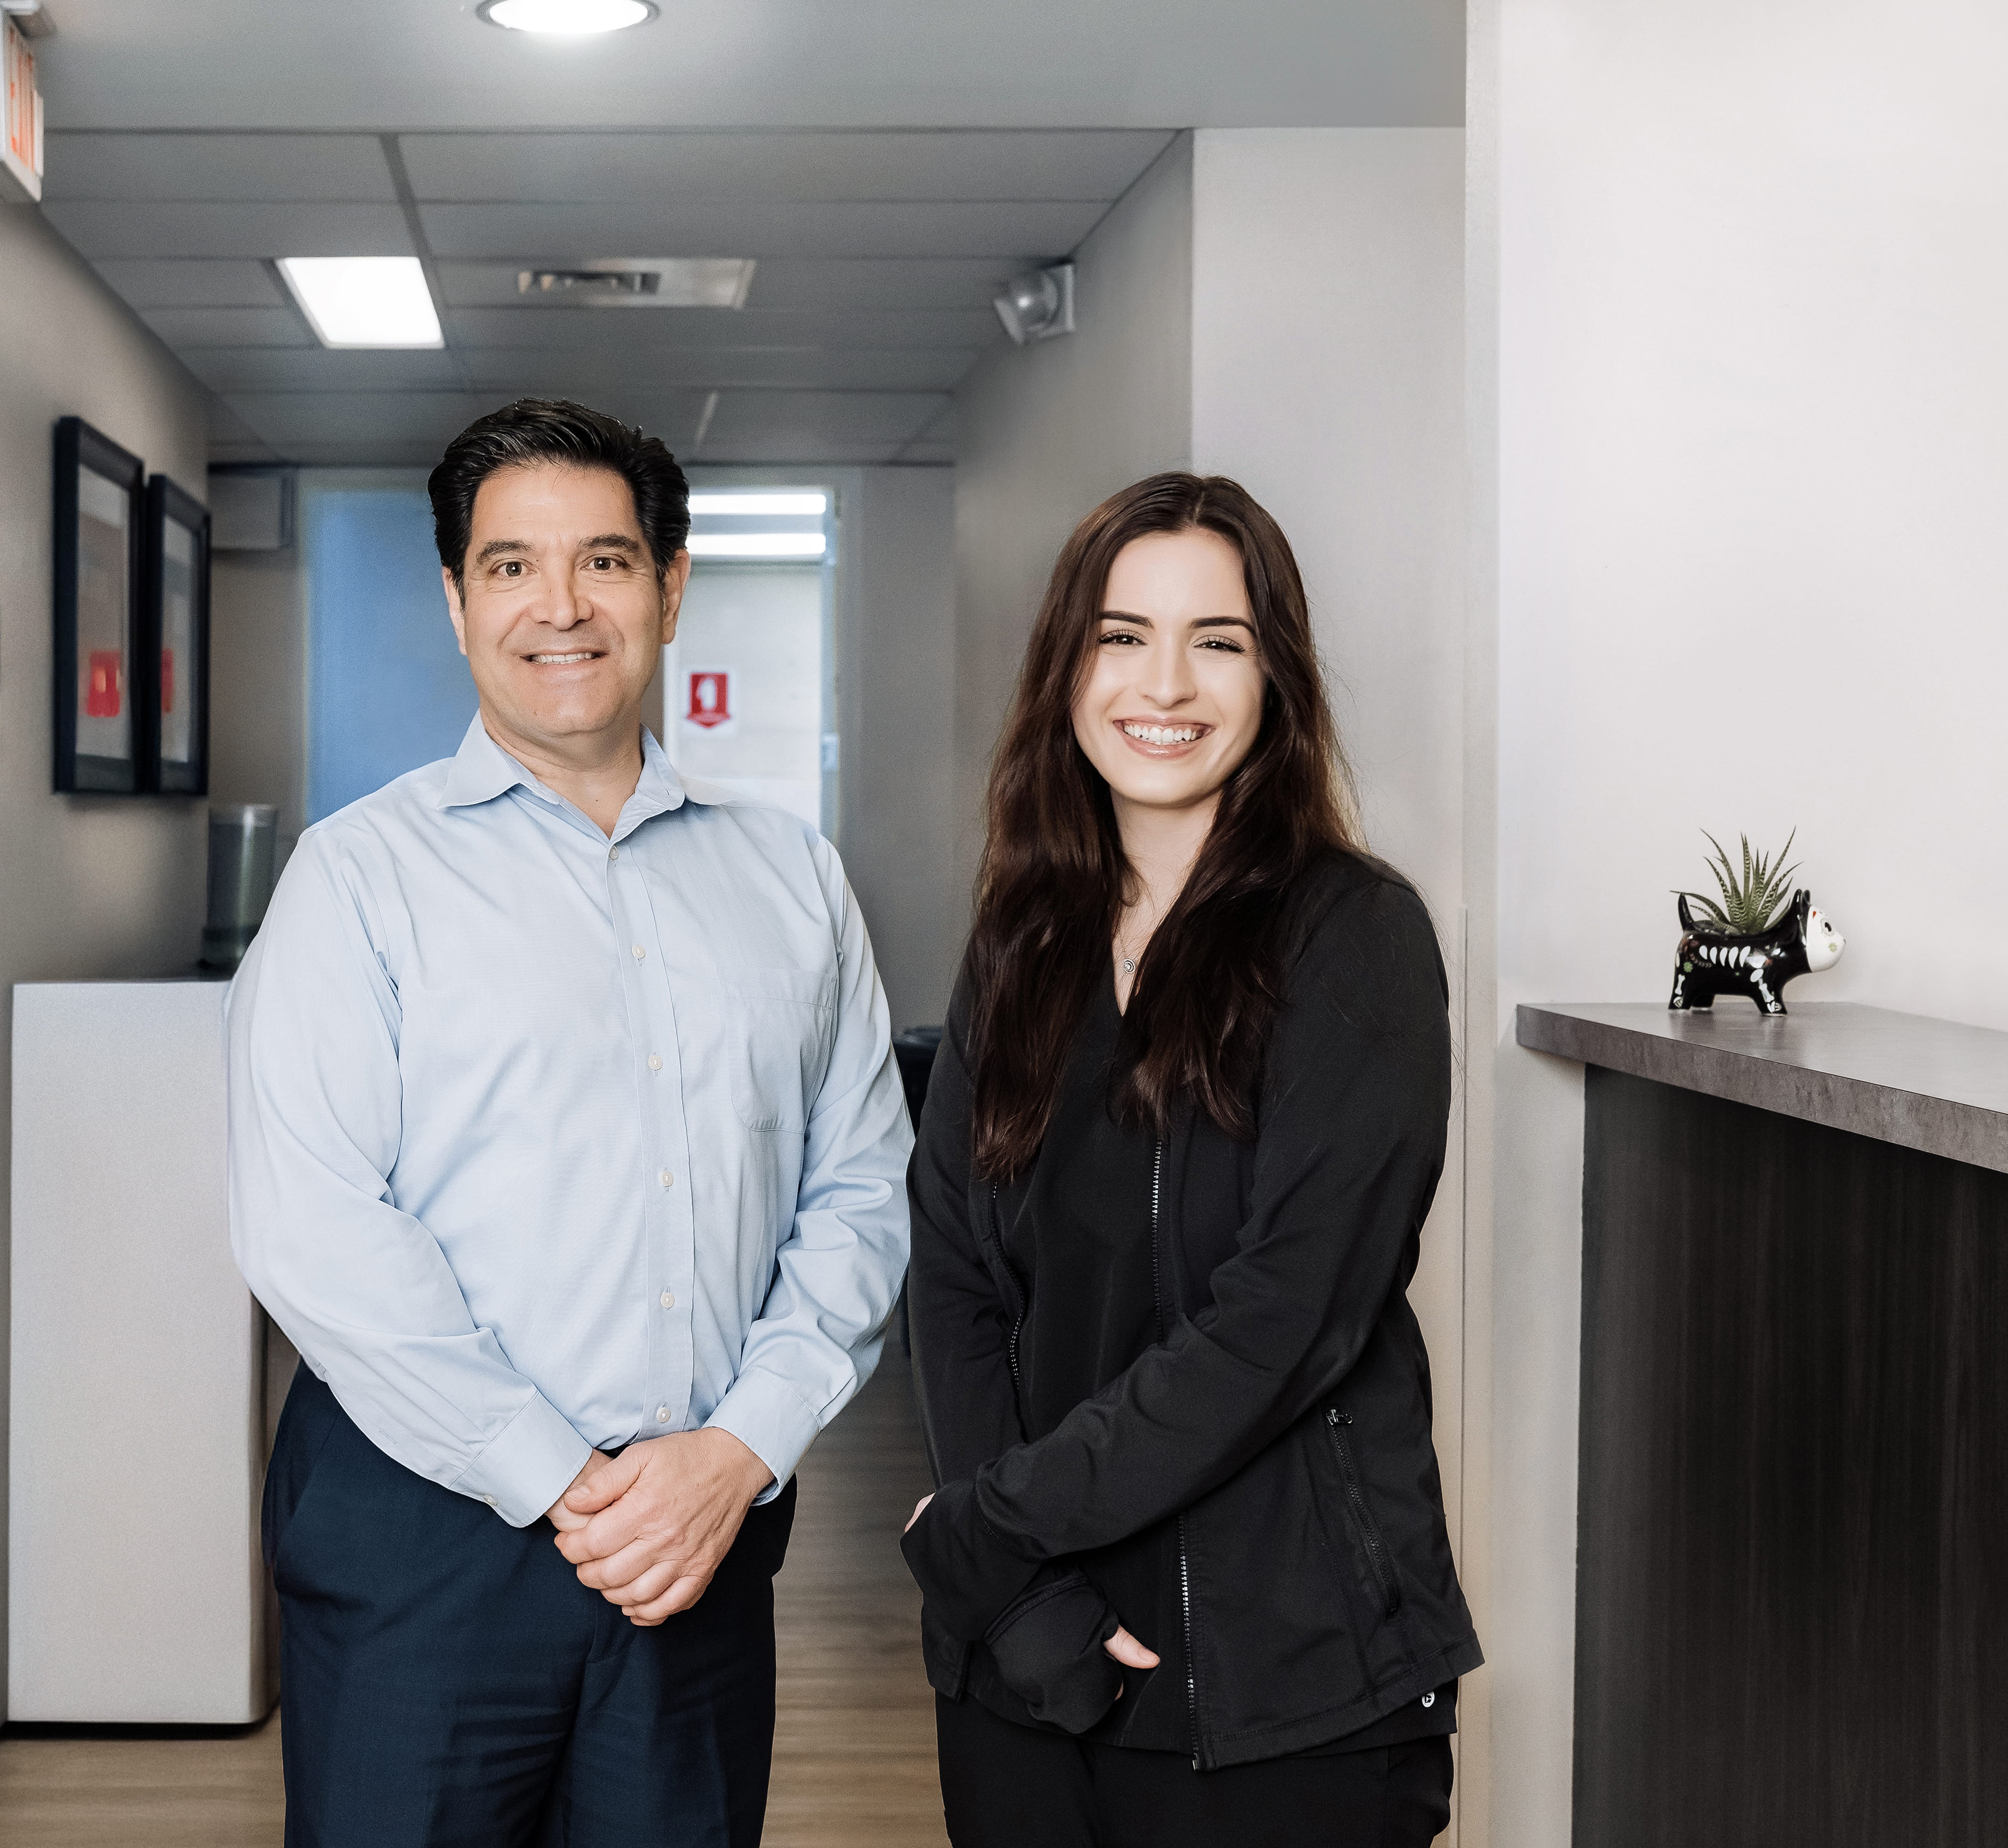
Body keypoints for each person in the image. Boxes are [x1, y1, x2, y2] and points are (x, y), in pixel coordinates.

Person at [226, 399, 913, 1848]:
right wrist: (558, 1477)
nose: (561, 607)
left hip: (700, 1545)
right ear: (457, 599)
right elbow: (315, 1228)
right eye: (511, 566)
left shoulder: (792, 879)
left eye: (604, 560)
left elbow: (860, 1194)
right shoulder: (358, 879)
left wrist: (742, 1450)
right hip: (424, 1544)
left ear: (670, 585)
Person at [900, 474, 1481, 1846]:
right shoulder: (1022, 941)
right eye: (1123, 635)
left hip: (1282, 1668)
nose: (1164, 684)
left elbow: (1285, 1321)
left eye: (1217, 640)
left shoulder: (1356, 938)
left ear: (1275, 678)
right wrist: (1015, 1591)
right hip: (1023, 1657)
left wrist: (989, 1528)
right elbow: (955, 1272)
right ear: (1068, 666)